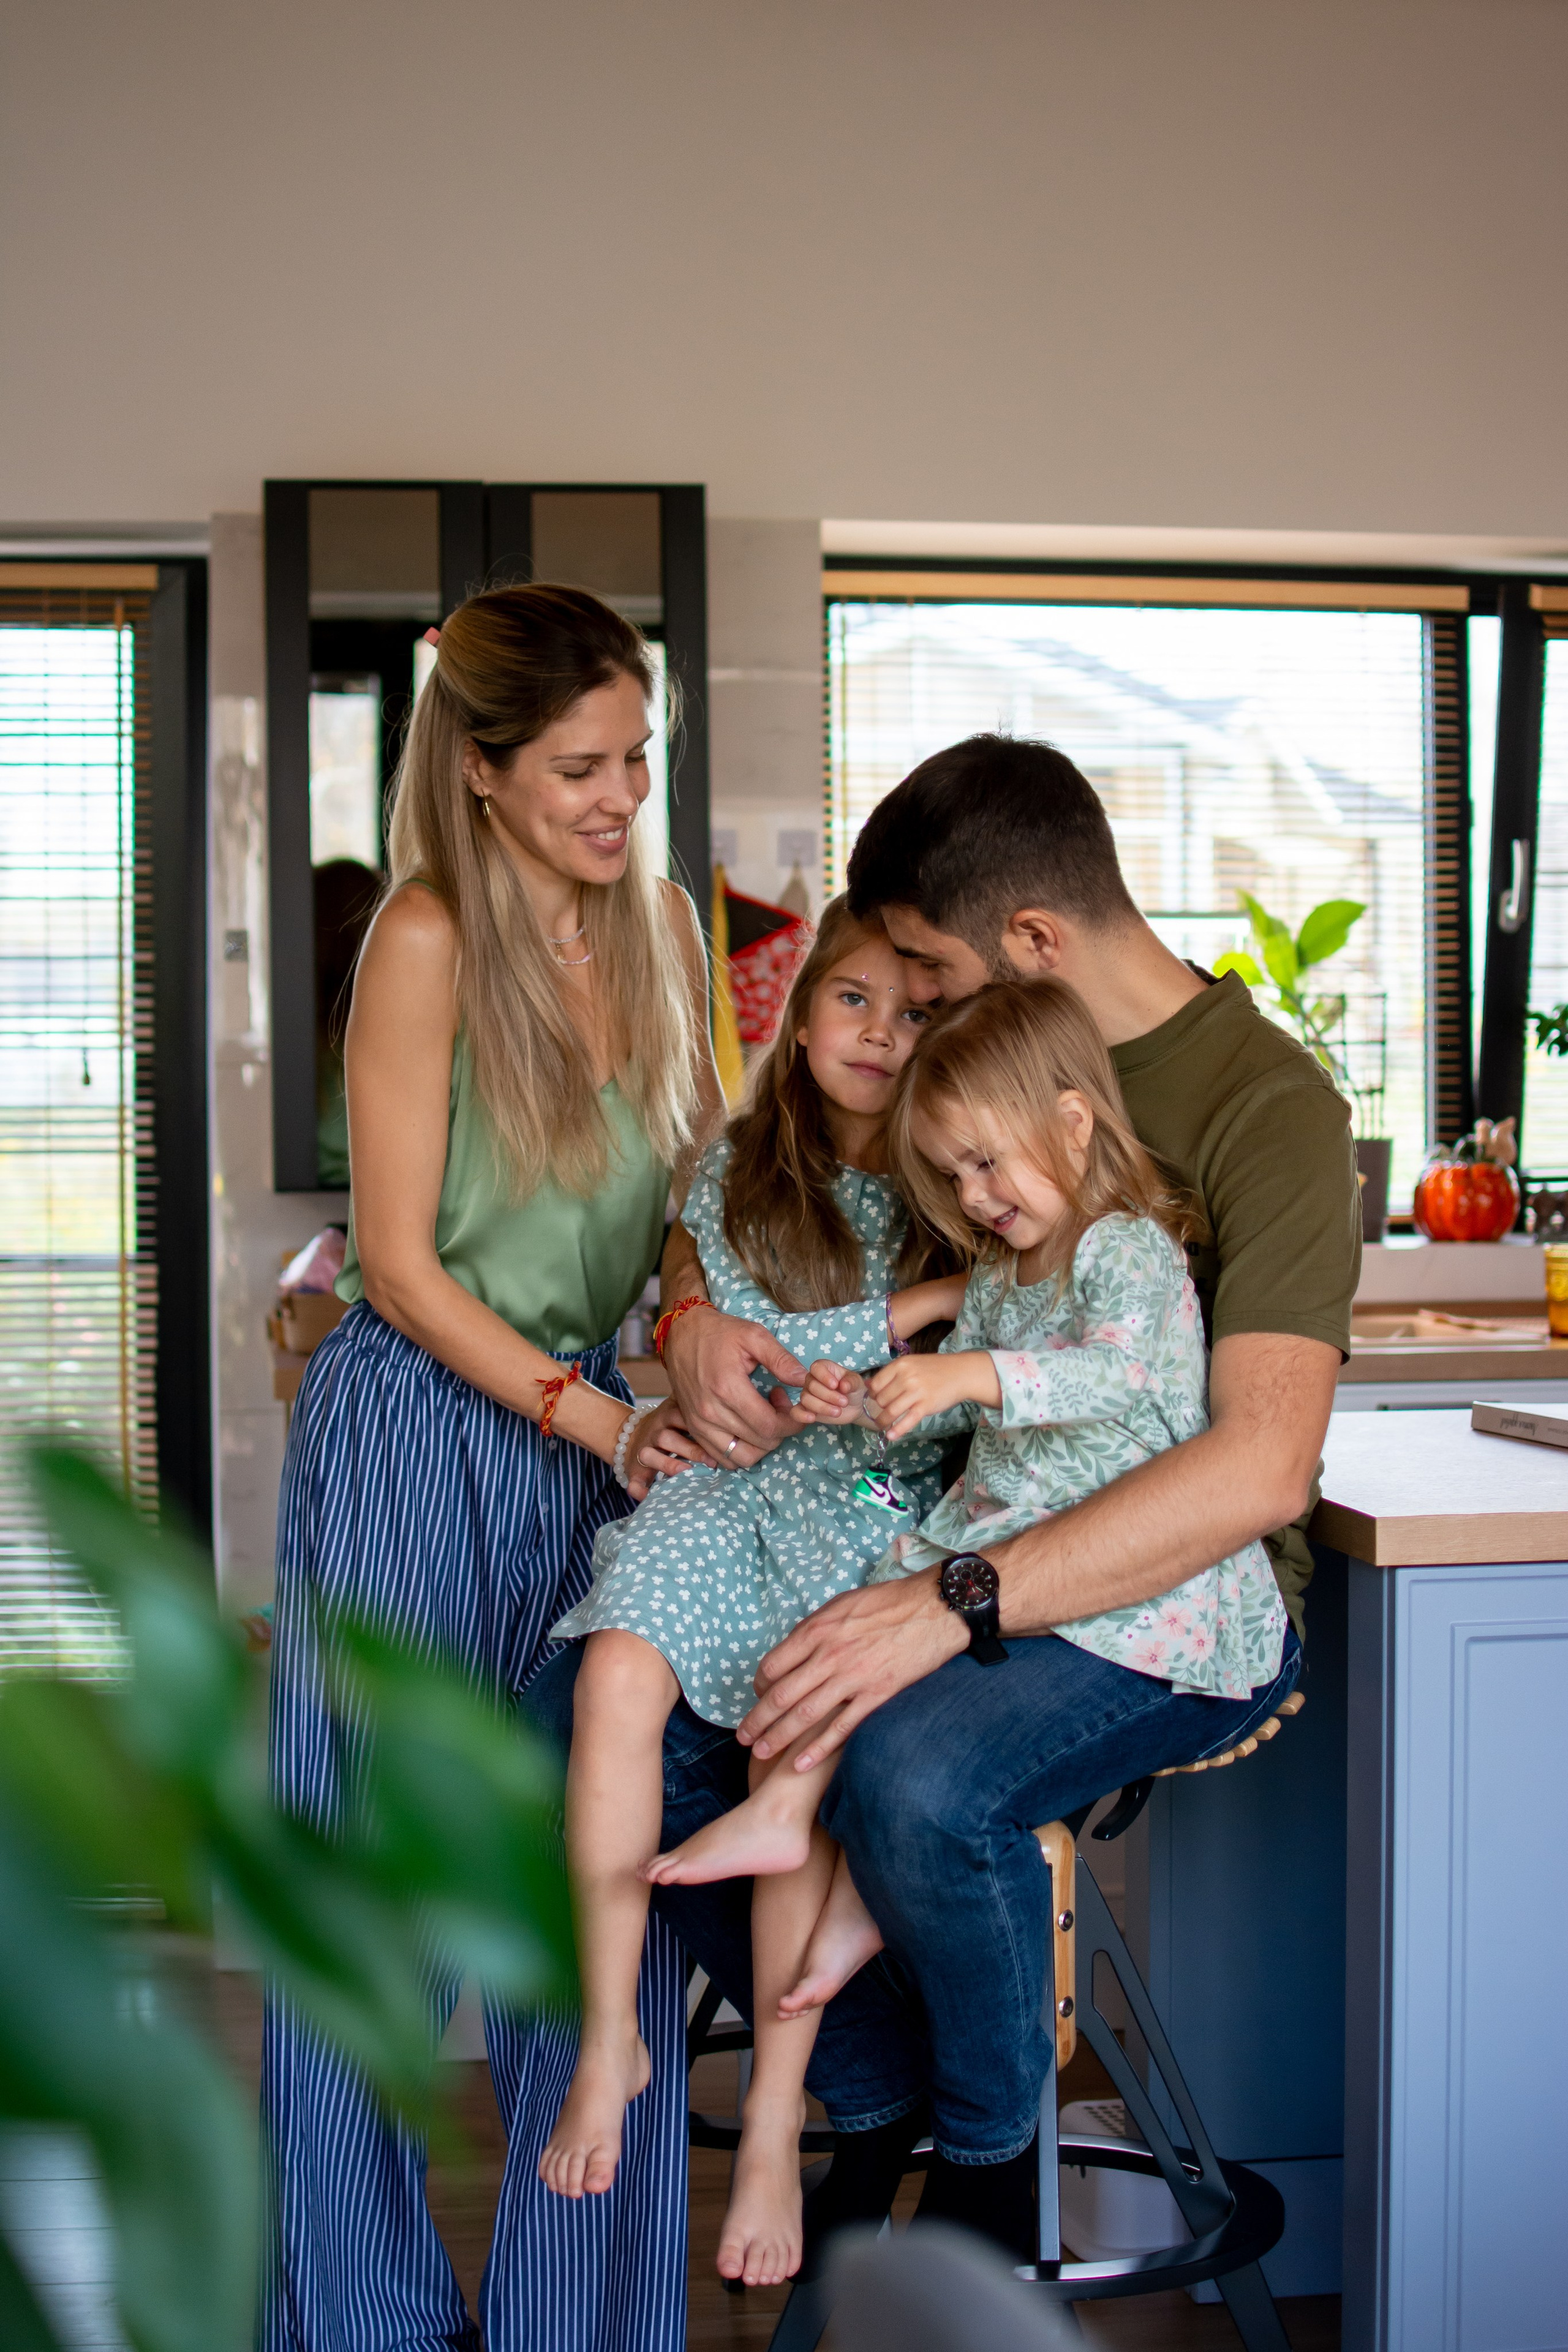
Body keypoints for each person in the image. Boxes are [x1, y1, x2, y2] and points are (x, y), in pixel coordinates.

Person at [529, 729, 1359, 2269]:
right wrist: (694, 1317)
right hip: (947, 1523)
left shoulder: (1264, 1110)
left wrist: (944, 1602)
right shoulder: (969, 1096)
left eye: (928, 975)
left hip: (1164, 1595)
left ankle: (988, 2189)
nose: (909, 1016)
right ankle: (877, 2091)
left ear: (1029, 947)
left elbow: (1254, 1468)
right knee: (580, 1711)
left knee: (905, 1775)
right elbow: (804, 1235)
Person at [260, 584, 720, 2352]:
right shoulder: (428, 941)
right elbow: (397, 1265)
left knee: (597, 1896)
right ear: (482, 766)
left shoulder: (668, 930)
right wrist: (597, 1416)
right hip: (419, 1441)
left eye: (640, 761)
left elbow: (691, 1199)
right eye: (584, 767)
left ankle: (576, 2320)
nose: (621, 799)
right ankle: (364, 2321)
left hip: (601, 1437)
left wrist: (680, 1331)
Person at [540, 898, 963, 2286]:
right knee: (610, 1674)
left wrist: (878, 1364)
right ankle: (613, 2035)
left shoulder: (955, 1182)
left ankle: (779, 2112)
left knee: (795, 1740)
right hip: (733, 1495)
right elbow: (739, 1366)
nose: (879, 1036)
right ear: (800, 1008)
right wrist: (896, 1321)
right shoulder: (735, 1170)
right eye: (852, 1001)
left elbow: (956, 1396)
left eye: (912, 1016)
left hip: (863, 1516)